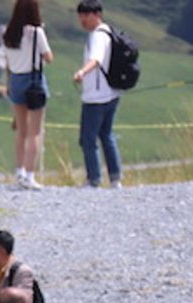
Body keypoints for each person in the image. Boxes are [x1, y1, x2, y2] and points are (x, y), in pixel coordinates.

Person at [3, 0, 54, 190]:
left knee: (21, 131)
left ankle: (19, 172)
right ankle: (30, 175)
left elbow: (7, 62)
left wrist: (8, 84)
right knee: (36, 131)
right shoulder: (36, 32)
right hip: (33, 81)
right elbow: (49, 57)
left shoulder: (8, 34)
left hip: (15, 80)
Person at [73, 0, 122, 189]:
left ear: (96, 14)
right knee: (106, 135)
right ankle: (115, 177)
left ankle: (94, 179)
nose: (82, 20)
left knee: (88, 138)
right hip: (112, 93)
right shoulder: (108, 32)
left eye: (85, 16)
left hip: (96, 97)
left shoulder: (97, 36)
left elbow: (96, 60)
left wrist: (82, 72)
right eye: (80, 16)